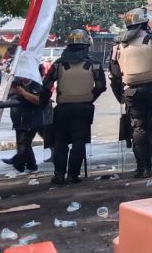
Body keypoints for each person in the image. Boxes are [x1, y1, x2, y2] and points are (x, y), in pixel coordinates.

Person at [110, 7, 152, 178]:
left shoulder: (118, 44)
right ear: (144, 22)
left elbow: (114, 72)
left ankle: (143, 168)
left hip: (132, 91)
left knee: (139, 129)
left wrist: (121, 94)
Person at [41, 28, 106, 185]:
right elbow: (101, 86)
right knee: (79, 141)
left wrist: (44, 102)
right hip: (83, 108)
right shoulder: (94, 64)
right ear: (86, 44)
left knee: (60, 142)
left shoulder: (58, 64)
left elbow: (47, 84)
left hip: (63, 108)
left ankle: (59, 175)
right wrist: (90, 98)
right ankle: (73, 175)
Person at [2, 74, 42, 173]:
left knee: (23, 142)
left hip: (31, 119)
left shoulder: (36, 85)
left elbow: (39, 100)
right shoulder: (17, 82)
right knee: (23, 143)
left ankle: (17, 162)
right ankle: (31, 164)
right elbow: (7, 95)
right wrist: (11, 87)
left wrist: (24, 93)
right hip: (18, 119)